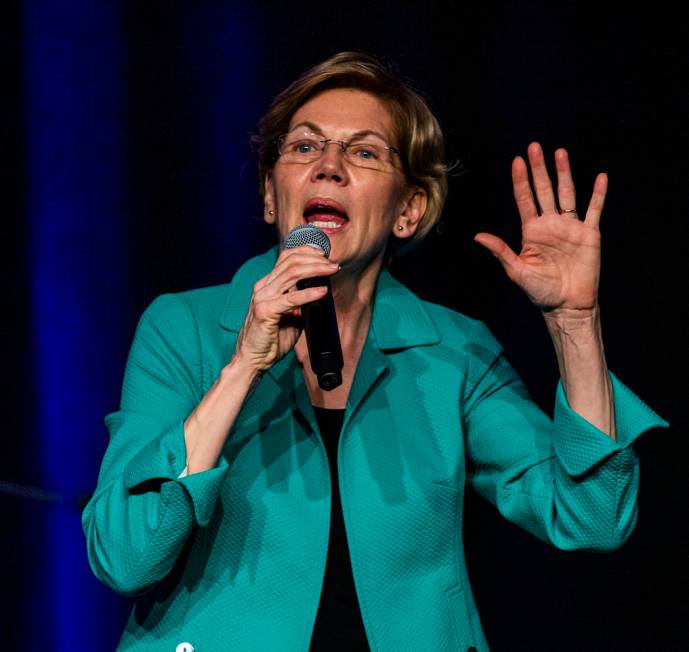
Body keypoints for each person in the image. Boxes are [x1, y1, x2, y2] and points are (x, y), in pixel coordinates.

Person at [82, 51, 667, 652]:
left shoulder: (454, 351)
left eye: (364, 152)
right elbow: (126, 558)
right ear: (268, 194)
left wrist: (576, 321)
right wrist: (242, 368)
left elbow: (593, 518)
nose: (329, 167)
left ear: (408, 211)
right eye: (305, 147)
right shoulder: (184, 328)